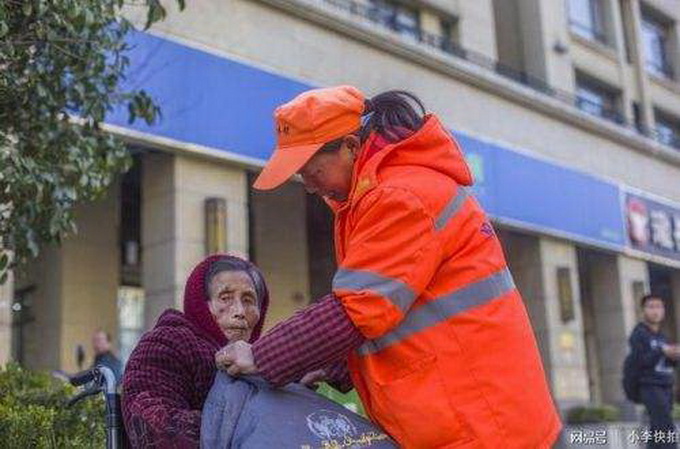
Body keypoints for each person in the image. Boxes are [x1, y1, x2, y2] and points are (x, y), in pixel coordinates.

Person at [217, 85, 562, 448]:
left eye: (312, 171)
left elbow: (357, 309)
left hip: (484, 426)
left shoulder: (400, 198)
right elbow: (397, 313)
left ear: (351, 147)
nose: (309, 186)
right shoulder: (380, 195)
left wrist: (261, 354)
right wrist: (334, 364)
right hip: (477, 417)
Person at [121, 255, 271, 448]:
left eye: (248, 300)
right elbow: (154, 428)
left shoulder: (263, 363)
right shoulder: (168, 343)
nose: (240, 311)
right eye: (225, 298)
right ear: (201, 303)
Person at [629, 294, 680, 448]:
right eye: (651, 307)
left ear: (664, 310)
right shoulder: (639, 334)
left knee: (657, 430)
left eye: (659, 307)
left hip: (665, 385)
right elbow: (640, 361)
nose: (655, 311)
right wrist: (661, 351)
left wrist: (673, 355)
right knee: (665, 428)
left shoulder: (661, 336)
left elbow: (666, 364)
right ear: (643, 311)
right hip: (650, 386)